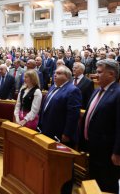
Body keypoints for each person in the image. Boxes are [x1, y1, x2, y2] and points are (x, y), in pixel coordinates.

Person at [80, 59, 120, 193]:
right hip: (94, 147)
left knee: (108, 186)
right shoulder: (97, 91)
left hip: (108, 151)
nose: (95, 75)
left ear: (111, 74)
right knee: (95, 183)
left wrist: (117, 152)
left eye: (99, 72)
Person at [38, 65, 82, 194]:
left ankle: (65, 191)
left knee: (65, 167)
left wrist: (67, 134)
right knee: (52, 164)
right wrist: (40, 125)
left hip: (61, 135)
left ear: (67, 76)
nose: (55, 75)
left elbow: (73, 114)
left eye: (59, 73)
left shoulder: (72, 90)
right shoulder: (53, 87)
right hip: (48, 132)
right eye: (54, 72)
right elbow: (45, 108)